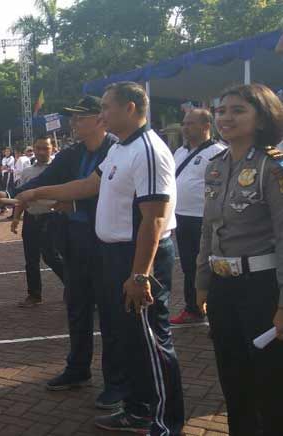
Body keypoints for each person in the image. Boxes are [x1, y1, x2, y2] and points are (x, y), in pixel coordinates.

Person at [13, 82, 184, 434]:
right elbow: (88, 186)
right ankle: (137, 410)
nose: (102, 114)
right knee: (129, 337)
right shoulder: (122, 148)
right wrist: (36, 192)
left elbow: (154, 219)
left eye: (107, 107)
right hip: (114, 254)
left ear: (132, 108)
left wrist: (140, 276)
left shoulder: (149, 150)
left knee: (151, 340)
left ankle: (166, 422)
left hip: (136, 257)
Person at [1, 96, 125, 408]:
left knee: (110, 315)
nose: (73, 123)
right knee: (78, 306)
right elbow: (47, 179)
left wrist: (67, 200)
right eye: (73, 117)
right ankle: (78, 368)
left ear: (99, 118)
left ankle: (116, 383)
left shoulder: (116, 150)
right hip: (76, 241)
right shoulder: (73, 152)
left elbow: (100, 192)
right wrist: (7, 195)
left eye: (80, 117)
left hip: (107, 244)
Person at [195, 84, 283, 435]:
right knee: (232, 379)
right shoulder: (215, 166)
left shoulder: (272, 167)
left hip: (260, 290)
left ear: (262, 118)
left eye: (238, 110)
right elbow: (208, 229)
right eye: (221, 110)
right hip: (223, 287)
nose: (226, 117)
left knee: (269, 385)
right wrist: (201, 282)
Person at [170, 109, 225, 325]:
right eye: (184, 123)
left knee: (208, 266)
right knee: (188, 266)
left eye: (191, 123)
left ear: (206, 126)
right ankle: (193, 308)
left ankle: (214, 309)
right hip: (182, 218)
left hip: (203, 220)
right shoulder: (179, 153)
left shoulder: (217, 152)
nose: (185, 127)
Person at [7, 136, 65, 306]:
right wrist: (16, 218)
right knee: (31, 259)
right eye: (38, 148)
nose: (41, 152)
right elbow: (21, 197)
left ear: (52, 148)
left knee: (52, 257)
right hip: (31, 219)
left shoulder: (59, 169)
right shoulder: (27, 172)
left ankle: (73, 286)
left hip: (52, 218)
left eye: (45, 148)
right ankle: (34, 295)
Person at [0, 148, 15, 214]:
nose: (6, 152)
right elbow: (3, 167)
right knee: (4, 190)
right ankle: (4, 207)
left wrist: (5, 167)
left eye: (8, 151)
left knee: (6, 190)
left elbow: (6, 166)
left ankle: (5, 207)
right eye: (5, 151)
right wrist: (5, 167)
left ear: (10, 152)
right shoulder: (4, 158)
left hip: (9, 174)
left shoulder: (11, 158)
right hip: (4, 174)